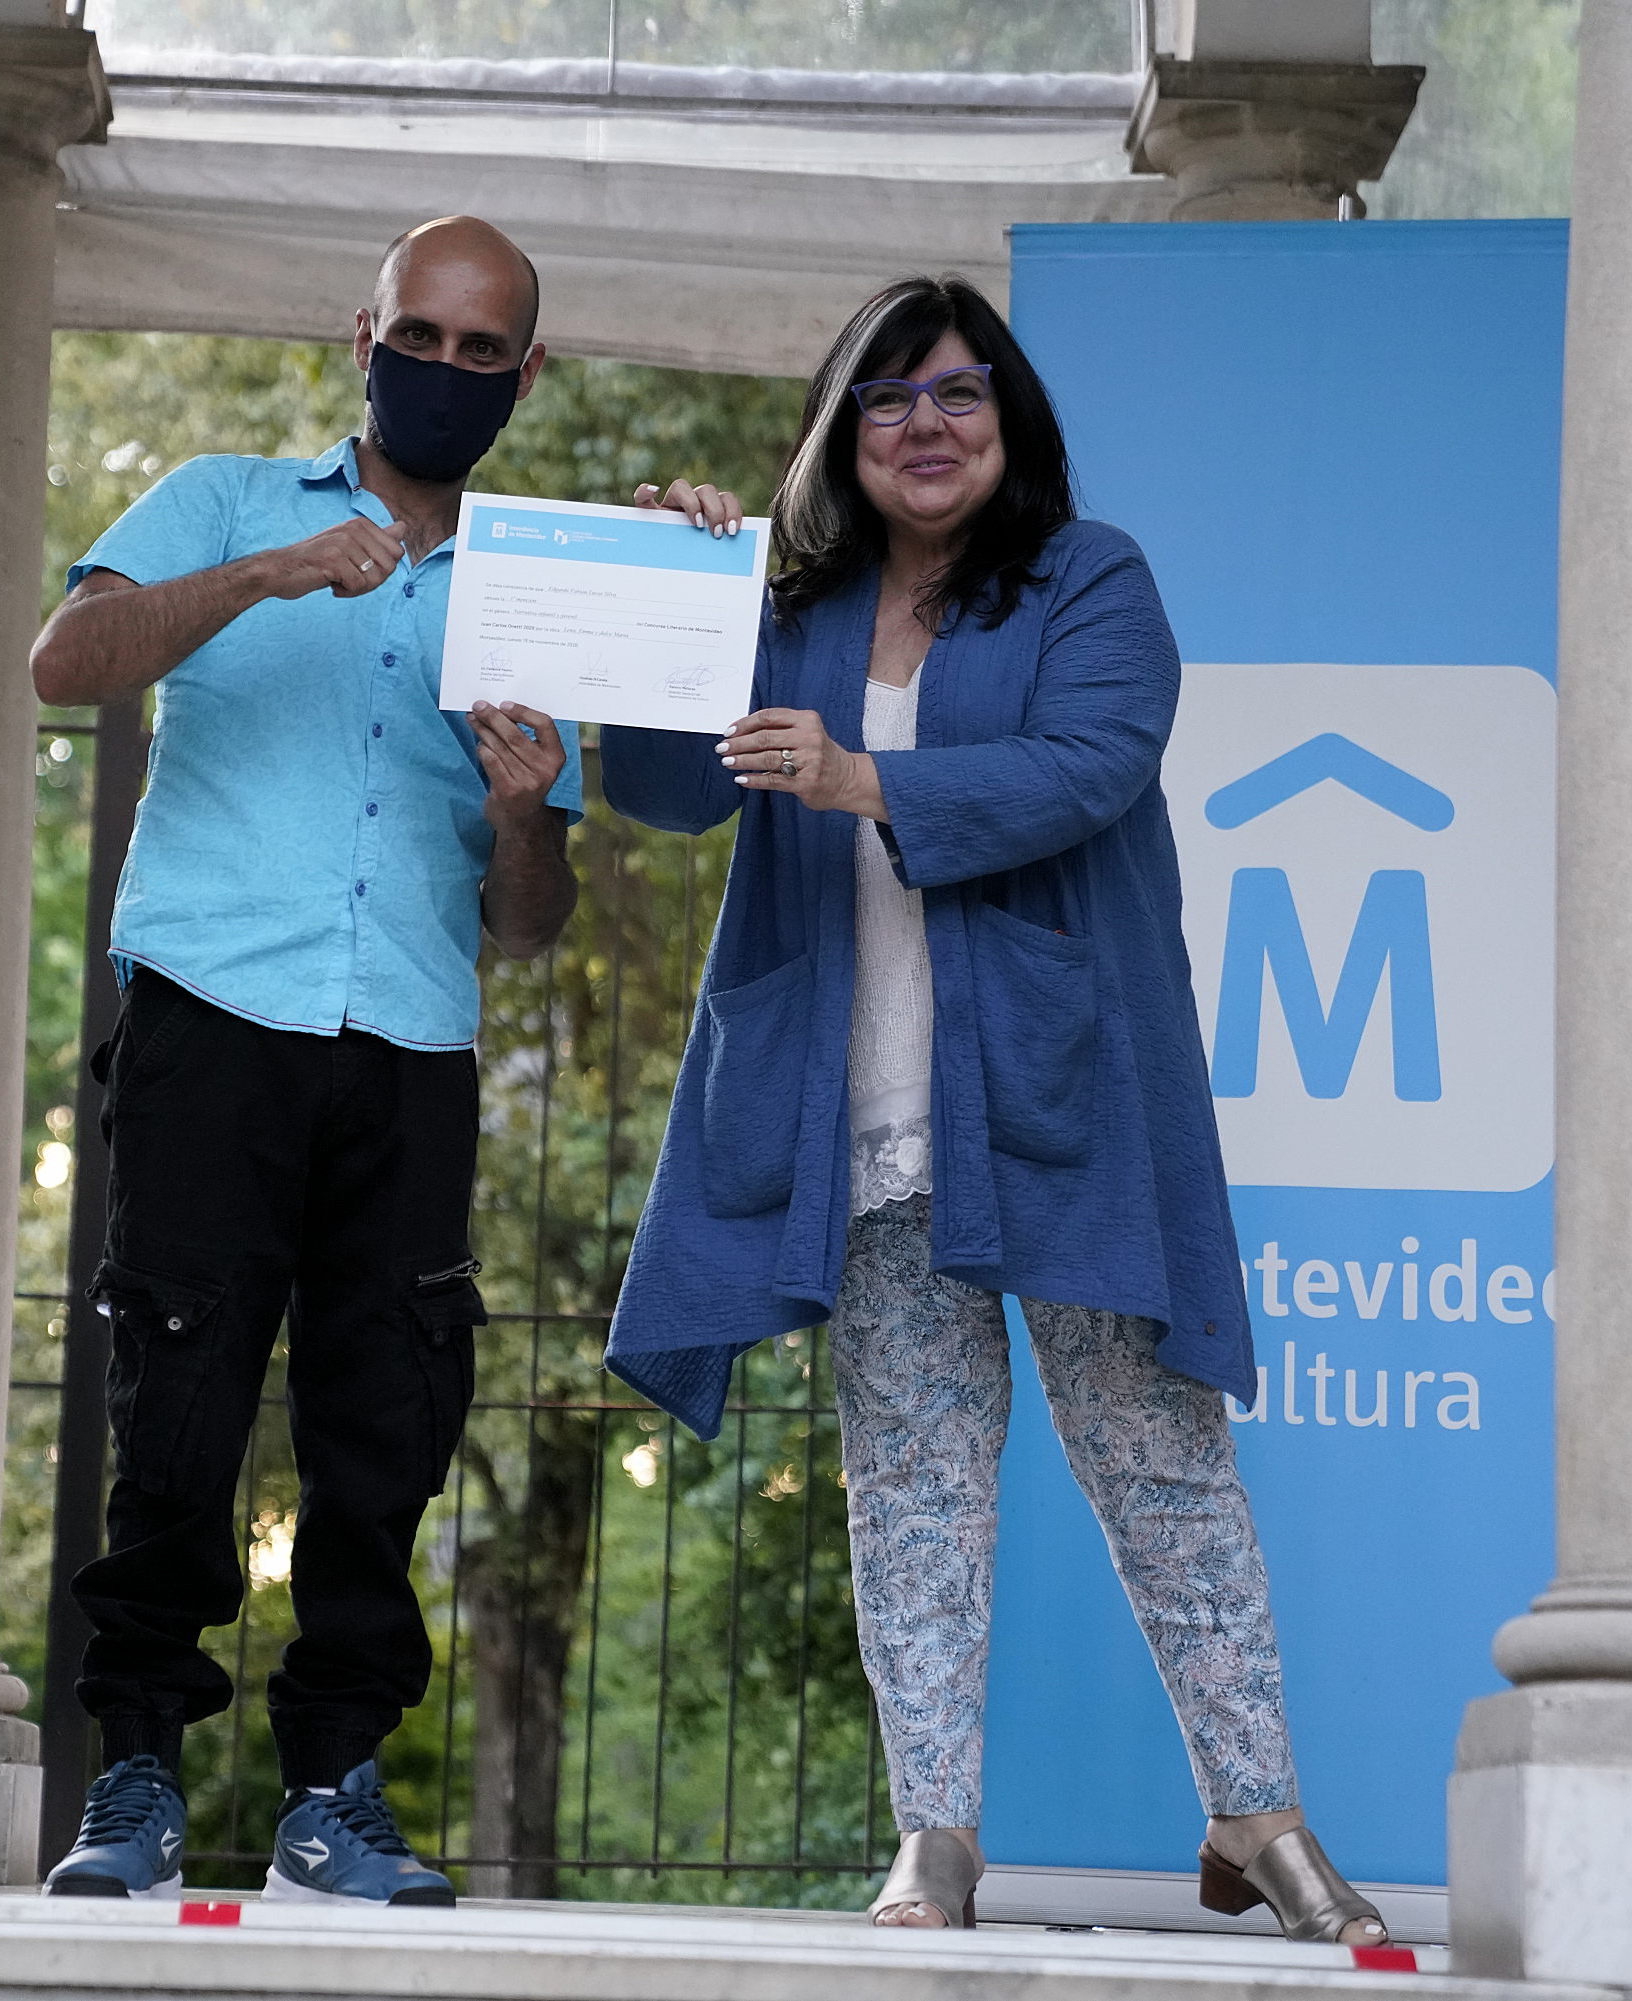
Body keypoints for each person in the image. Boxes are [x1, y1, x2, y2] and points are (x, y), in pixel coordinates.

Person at [600, 277, 1386, 1945]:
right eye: (886, 401)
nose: (927, 426)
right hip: (858, 1107)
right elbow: (662, 785)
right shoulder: (792, 605)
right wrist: (678, 588)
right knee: (912, 1478)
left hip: (1061, 1094)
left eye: (959, 392)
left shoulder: (1087, 580)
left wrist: (865, 776)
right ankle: (935, 1839)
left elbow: (1092, 760)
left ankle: (1257, 1811)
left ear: (1010, 416)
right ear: (841, 433)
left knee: (1156, 1455)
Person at [26, 216, 580, 1907]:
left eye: (489, 354)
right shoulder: (218, 498)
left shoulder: (538, 591)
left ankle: (336, 1790)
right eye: (427, 336)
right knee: (176, 1396)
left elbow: (535, 921)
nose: (452, 372)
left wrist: (516, 806)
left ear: (527, 375)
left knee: (387, 1420)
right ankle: (135, 1772)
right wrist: (267, 575)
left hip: (411, 1040)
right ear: (365, 333)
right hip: (211, 1015)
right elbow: (65, 668)